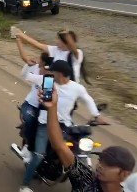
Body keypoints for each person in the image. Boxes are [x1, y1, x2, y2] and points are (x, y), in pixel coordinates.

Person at [18, 60, 105, 192]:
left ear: (60, 74)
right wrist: (28, 65)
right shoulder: (46, 81)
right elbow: (26, 76)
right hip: (44, 124)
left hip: (65, 125)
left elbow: (88, 100)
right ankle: (25, 185)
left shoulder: (77, 88)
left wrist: (96, 115)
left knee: (76, 148)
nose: (50, 73)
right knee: (39, 155)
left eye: (53, 71)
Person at [40, 84, 136, 192]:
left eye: (108, 165)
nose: (100, 166)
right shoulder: (86, 179)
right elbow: (59, 145)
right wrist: (52, 107)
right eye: (100, 161)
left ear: (125, 174)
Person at [14, 37, 53, 163]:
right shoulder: (36, 69)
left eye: (40, 59)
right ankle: (27, 149)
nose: (38, 60)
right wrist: (27, 64)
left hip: (46, 108)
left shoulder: (52, 76)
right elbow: (24, 74)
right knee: (32, 122)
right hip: (30, 105)